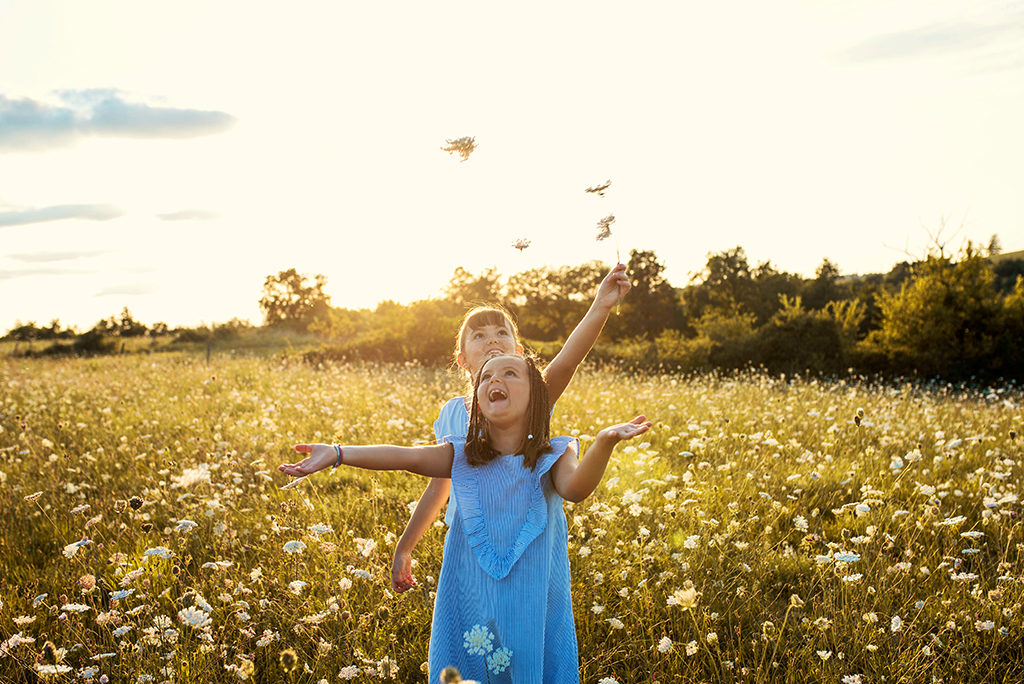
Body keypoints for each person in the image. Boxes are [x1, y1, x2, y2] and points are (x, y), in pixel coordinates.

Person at [278, 353, 651, 682]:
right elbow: (404, 457)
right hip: (469, 596)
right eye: (486, 377)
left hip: (532, 601)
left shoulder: (553, 453)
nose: (494, 381)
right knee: (467, 669)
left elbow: (576, 490)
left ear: (538, 396)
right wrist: (339, 452)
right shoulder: (460, 455)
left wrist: (604, 442)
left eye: (509, 373)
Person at [391, 263, 630, 593]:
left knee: (524, 622)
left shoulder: (532, 396)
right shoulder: (450, 414)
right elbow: (439, 487)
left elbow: (569, 358)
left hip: (527, 541)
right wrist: (405, 547)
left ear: (519, 352)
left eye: (501, 333)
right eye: (479, 335)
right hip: (470, 541)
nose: (492, 340)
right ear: (462, 360)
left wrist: (601, 304)